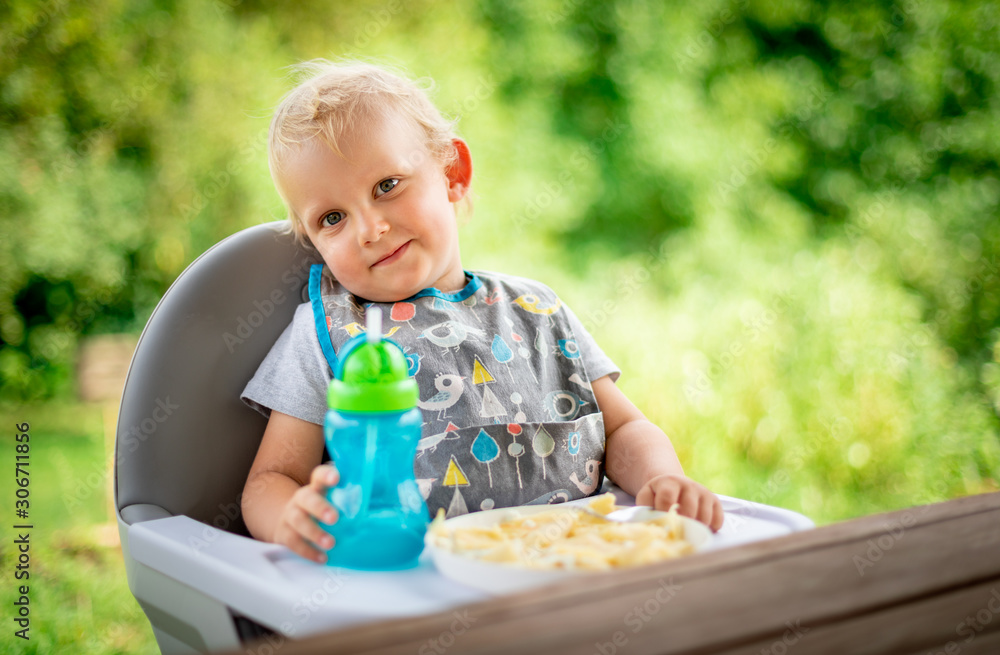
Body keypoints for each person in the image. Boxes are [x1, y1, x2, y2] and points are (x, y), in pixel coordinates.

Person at [240, 60, 724, 564]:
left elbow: (624, 430)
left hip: (584, 569)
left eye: (387, 186)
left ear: (453, 174)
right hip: (420, 596)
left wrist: (664, 480)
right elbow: (269, 482)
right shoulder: (330, 336)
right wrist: (293, 516)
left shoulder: (538, 311)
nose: (369, 229)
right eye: (332, 218)